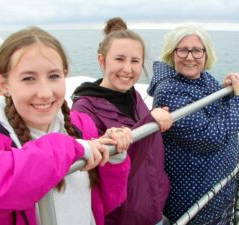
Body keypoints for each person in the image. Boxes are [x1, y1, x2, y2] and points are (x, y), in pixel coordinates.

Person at [0, 26, 133, 225]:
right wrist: (71, 147)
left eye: (53, 76)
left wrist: (114, 156)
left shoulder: (80, 125)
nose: (45, 92)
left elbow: (106, 202)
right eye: (28, 78)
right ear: (4, 84)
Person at [71, 19, 173, 225]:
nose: (128, 69)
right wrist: (149, 121)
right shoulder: (84, 110)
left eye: (135, 61)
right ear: (102, 60)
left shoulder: (132, 94)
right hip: (121, 216)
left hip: (151, 205)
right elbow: (99, 171)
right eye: (119, 59)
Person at [147, 23, 239, 224]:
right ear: (172, 53)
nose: (190, 56)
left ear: (206, 54)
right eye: (182, 50)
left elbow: (217, 113)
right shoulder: (170, 91)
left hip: (219, 190)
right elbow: (208, 138)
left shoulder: (204, 78)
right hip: (194, 197)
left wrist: (226, 91)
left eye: (196, 50)